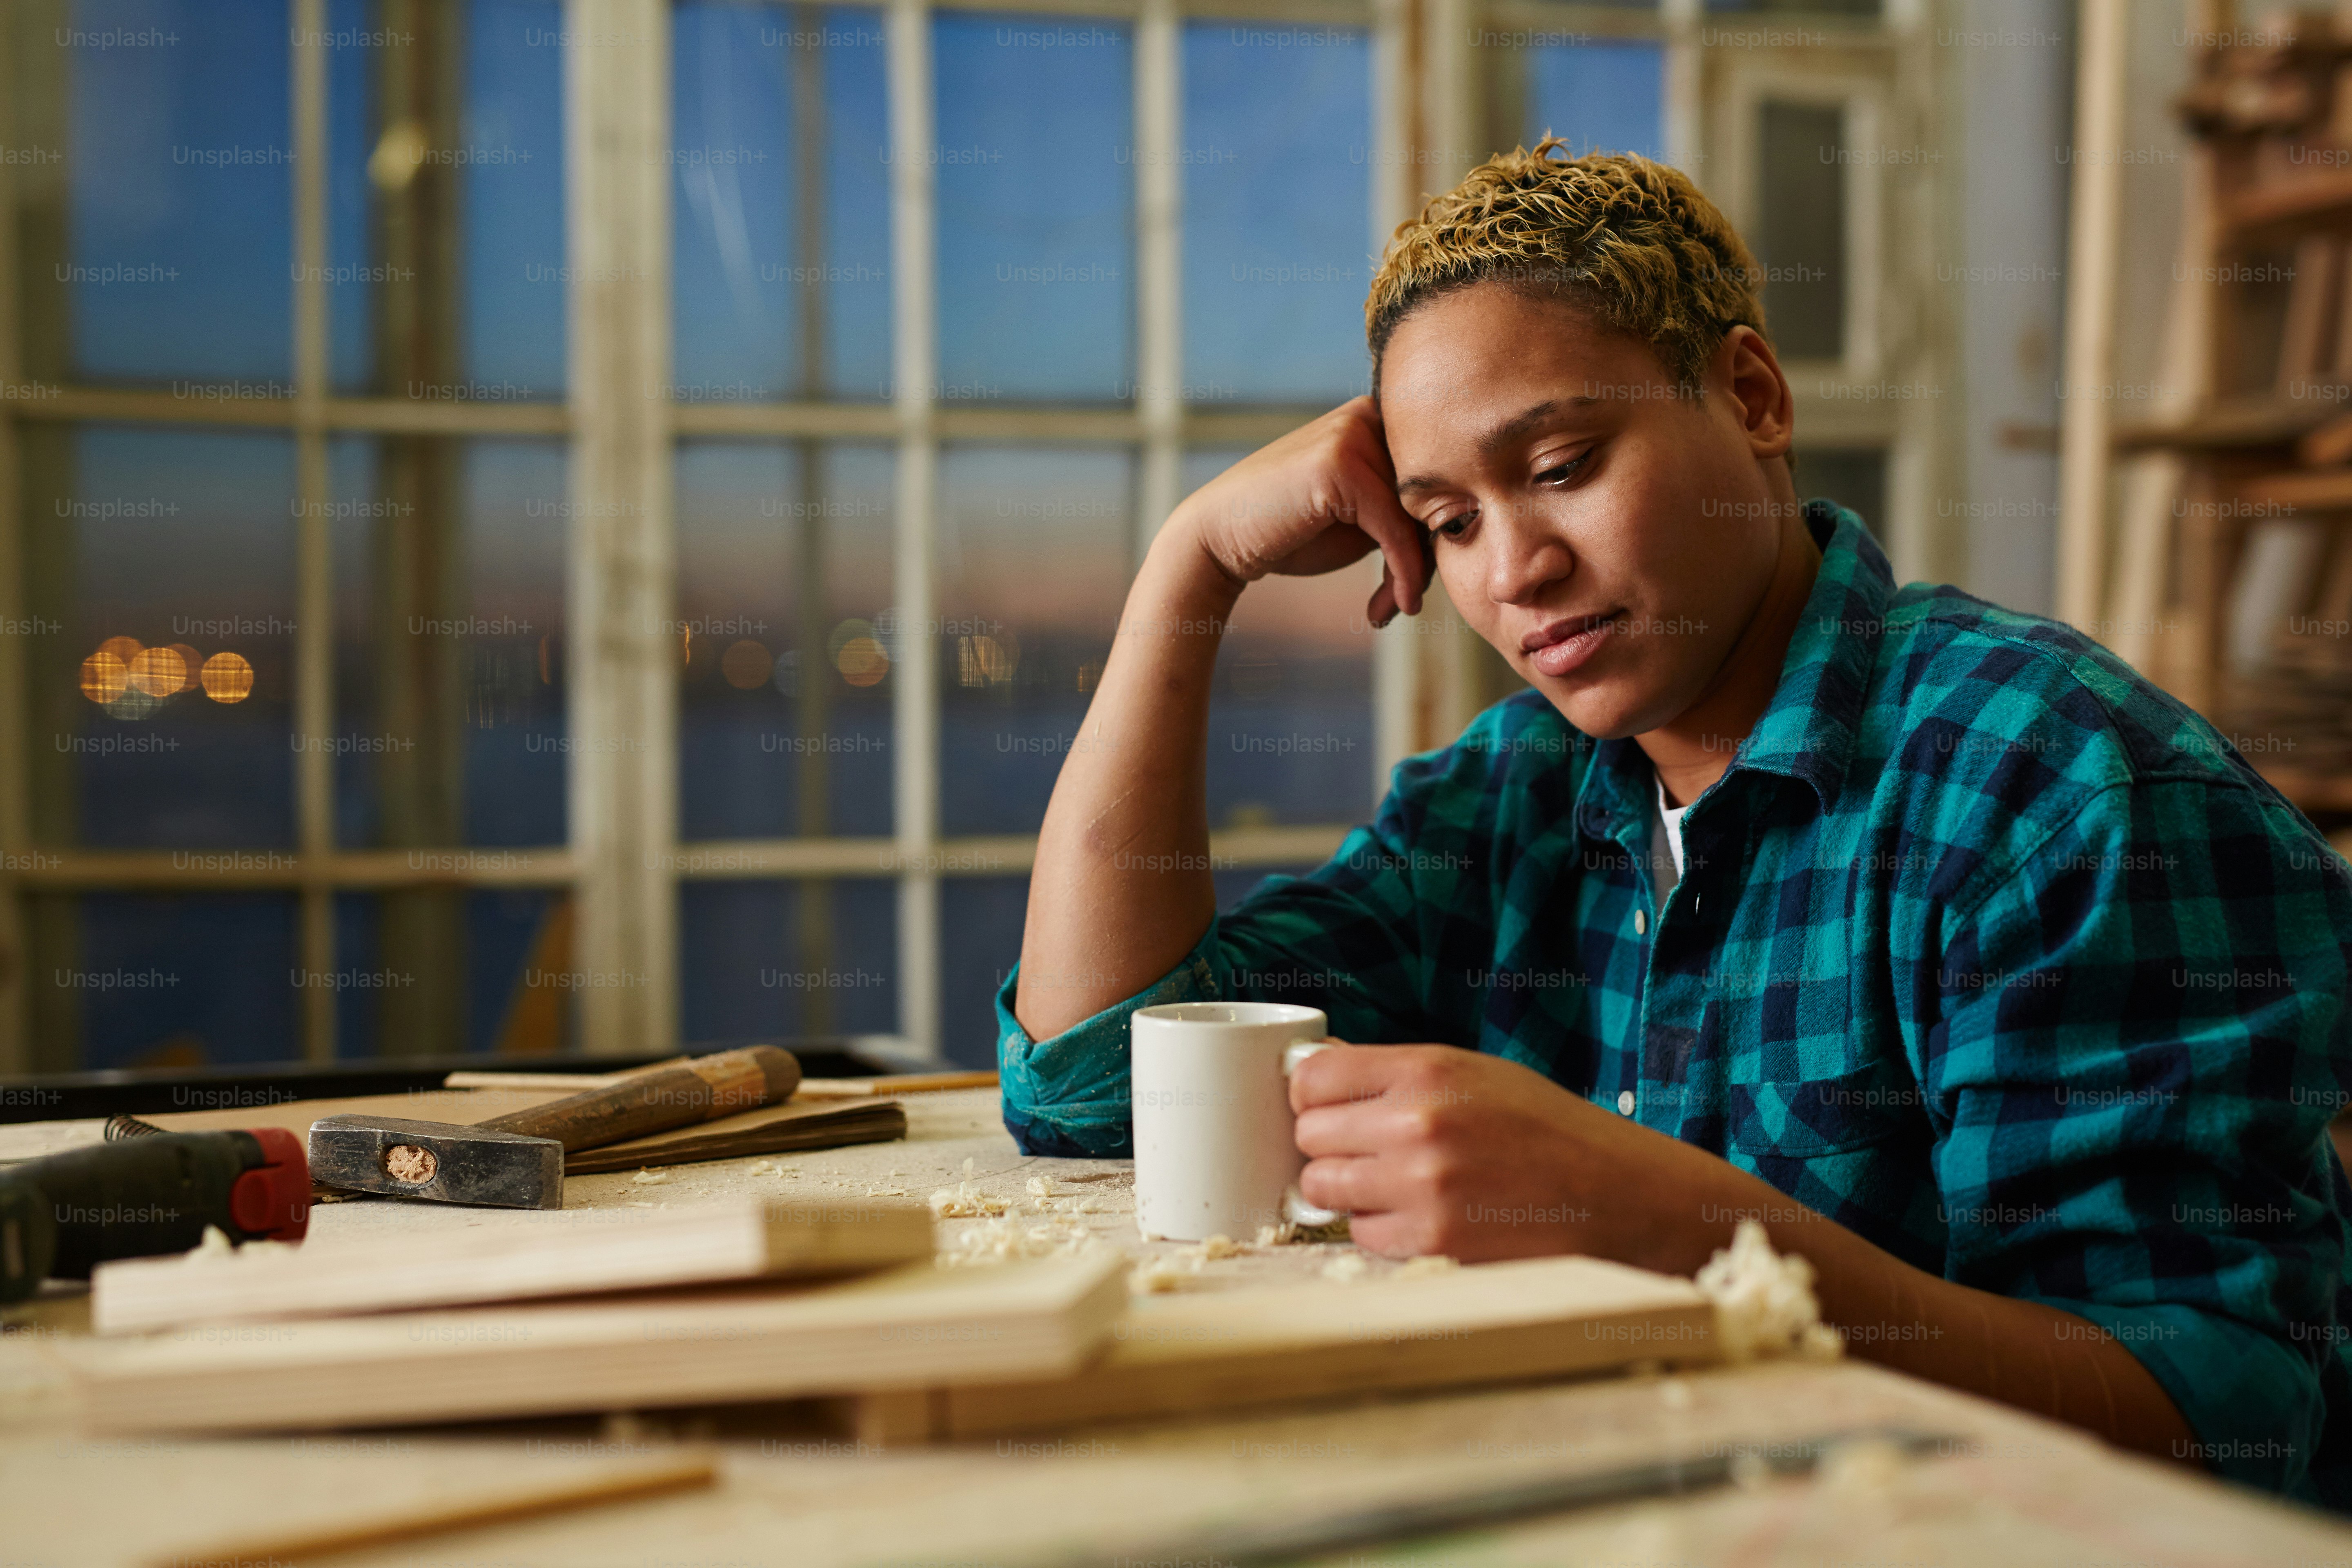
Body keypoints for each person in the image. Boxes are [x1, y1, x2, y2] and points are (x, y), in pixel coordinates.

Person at [997, 142, 2352, 1508]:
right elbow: (1095, 1085)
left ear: (1753, 396)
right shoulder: (1509, 794)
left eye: (1566, 464)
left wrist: (1688, 1237)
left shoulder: (2062, 792)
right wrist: (1194, 566)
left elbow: (2219, 1420)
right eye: (1449, 520)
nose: (1516, 571)